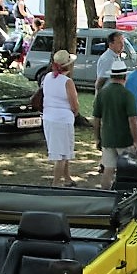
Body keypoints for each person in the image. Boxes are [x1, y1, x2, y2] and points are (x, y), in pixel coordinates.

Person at [91, 58, 137, 189]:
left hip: (107, 138)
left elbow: (96, 118)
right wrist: (136, 140)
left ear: (111, 75)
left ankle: (105, 196)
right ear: (124, 76)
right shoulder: (127, 94)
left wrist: (97, 138)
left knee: (108, 170)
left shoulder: (102, 94)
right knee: (127, 170)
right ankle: (125, 194)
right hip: (124, 139)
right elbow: (132, 120)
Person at [40, 49, 81, 187]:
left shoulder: (47, 77)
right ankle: (56, 183)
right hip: (62, 119)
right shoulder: (67, 82)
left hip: (48, 118)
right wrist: (75, 112)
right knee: (61, 154)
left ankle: (67, 177)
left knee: (64, 151)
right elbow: (74, 104)